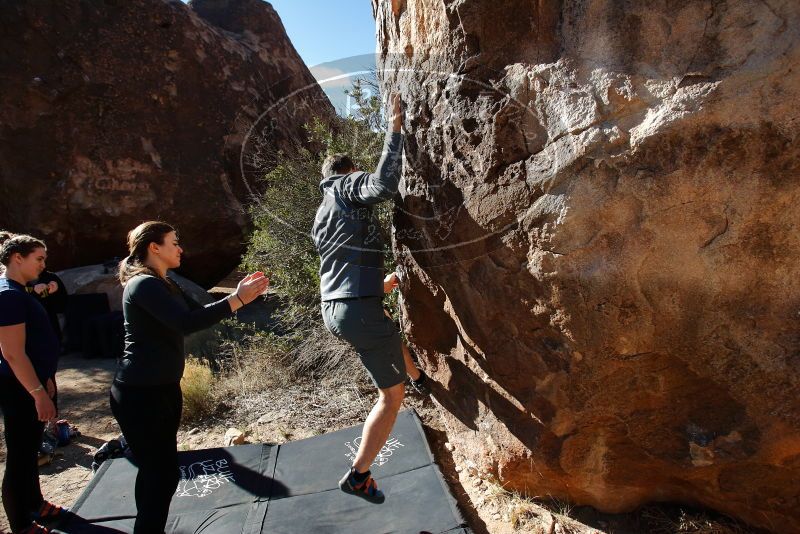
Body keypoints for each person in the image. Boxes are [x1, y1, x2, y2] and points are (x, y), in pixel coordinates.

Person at [110, 221, 269, 533]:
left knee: (159, 472)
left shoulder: (164, 282)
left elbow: (200, 313)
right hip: (140, 395)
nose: (180, 248)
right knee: (161, 474)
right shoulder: (143, 285)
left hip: (161, 389)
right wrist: (236, 299)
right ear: (154, 247)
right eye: (173, 242)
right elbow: (183, 323)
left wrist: (240, 297)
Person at [312, 94, 429, 505]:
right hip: (355, 310)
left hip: (339, 307)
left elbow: (342, 266)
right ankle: (359, 475)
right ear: (348, 172)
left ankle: (418, 379)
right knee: (389, 397)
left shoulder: (322, 212)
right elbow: (381, 185)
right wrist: (394, 131)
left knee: (385, 331)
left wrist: (382, 284)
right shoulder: (346, 187)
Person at [0, 235, 69, 534]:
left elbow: (34, 344)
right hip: (19, 389)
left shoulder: (19, 291)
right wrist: (37, 393)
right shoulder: (8, 295)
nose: (43, 265)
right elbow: (13, 353)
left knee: (30, 449)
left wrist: (47, 379)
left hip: (33, 383)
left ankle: (35, 502)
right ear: (17, 257)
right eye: (38, 258)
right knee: (20, 454)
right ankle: (21, 524)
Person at [26, 270, 68, 345]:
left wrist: (51, 292)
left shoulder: (51, 278)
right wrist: (35, 292)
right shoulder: (18, 281)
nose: (42, 264)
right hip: (27, 326)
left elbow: (62, 304)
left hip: (50, 321)